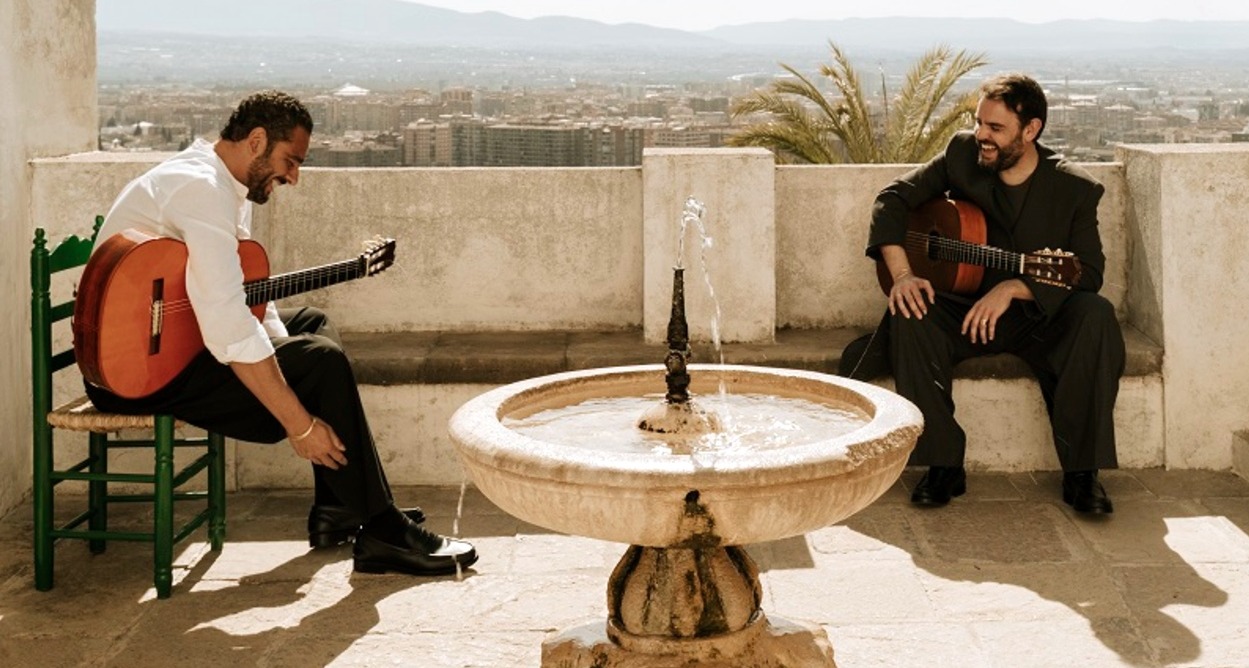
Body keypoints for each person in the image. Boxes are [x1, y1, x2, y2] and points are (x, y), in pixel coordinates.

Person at [85, 90, 478, 574]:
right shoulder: (201, 190)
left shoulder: (221, 181)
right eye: (290, 161)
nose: (293, 177)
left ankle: (337, 507)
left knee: (311, 326)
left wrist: (281, 353)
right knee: (319, 360)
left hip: (167, 350)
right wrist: (300, 424)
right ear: (255, 141)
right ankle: (380, 528)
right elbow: (228, 323)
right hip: (134, 375)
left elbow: (248, 300)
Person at [842, 73, 1124, 514]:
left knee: (1096, 314)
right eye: (979, 123)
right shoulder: (962, 154)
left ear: (1031, 131)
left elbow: (1088, 272)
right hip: (963, 310)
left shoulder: (1074, 188)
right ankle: (943, 464)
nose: (982, 136)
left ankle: (1083, 474)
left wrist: (1017, 286)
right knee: (909, 312)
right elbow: (892, 199)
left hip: (1037, 319)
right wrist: (901, 275)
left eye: (996, 128)